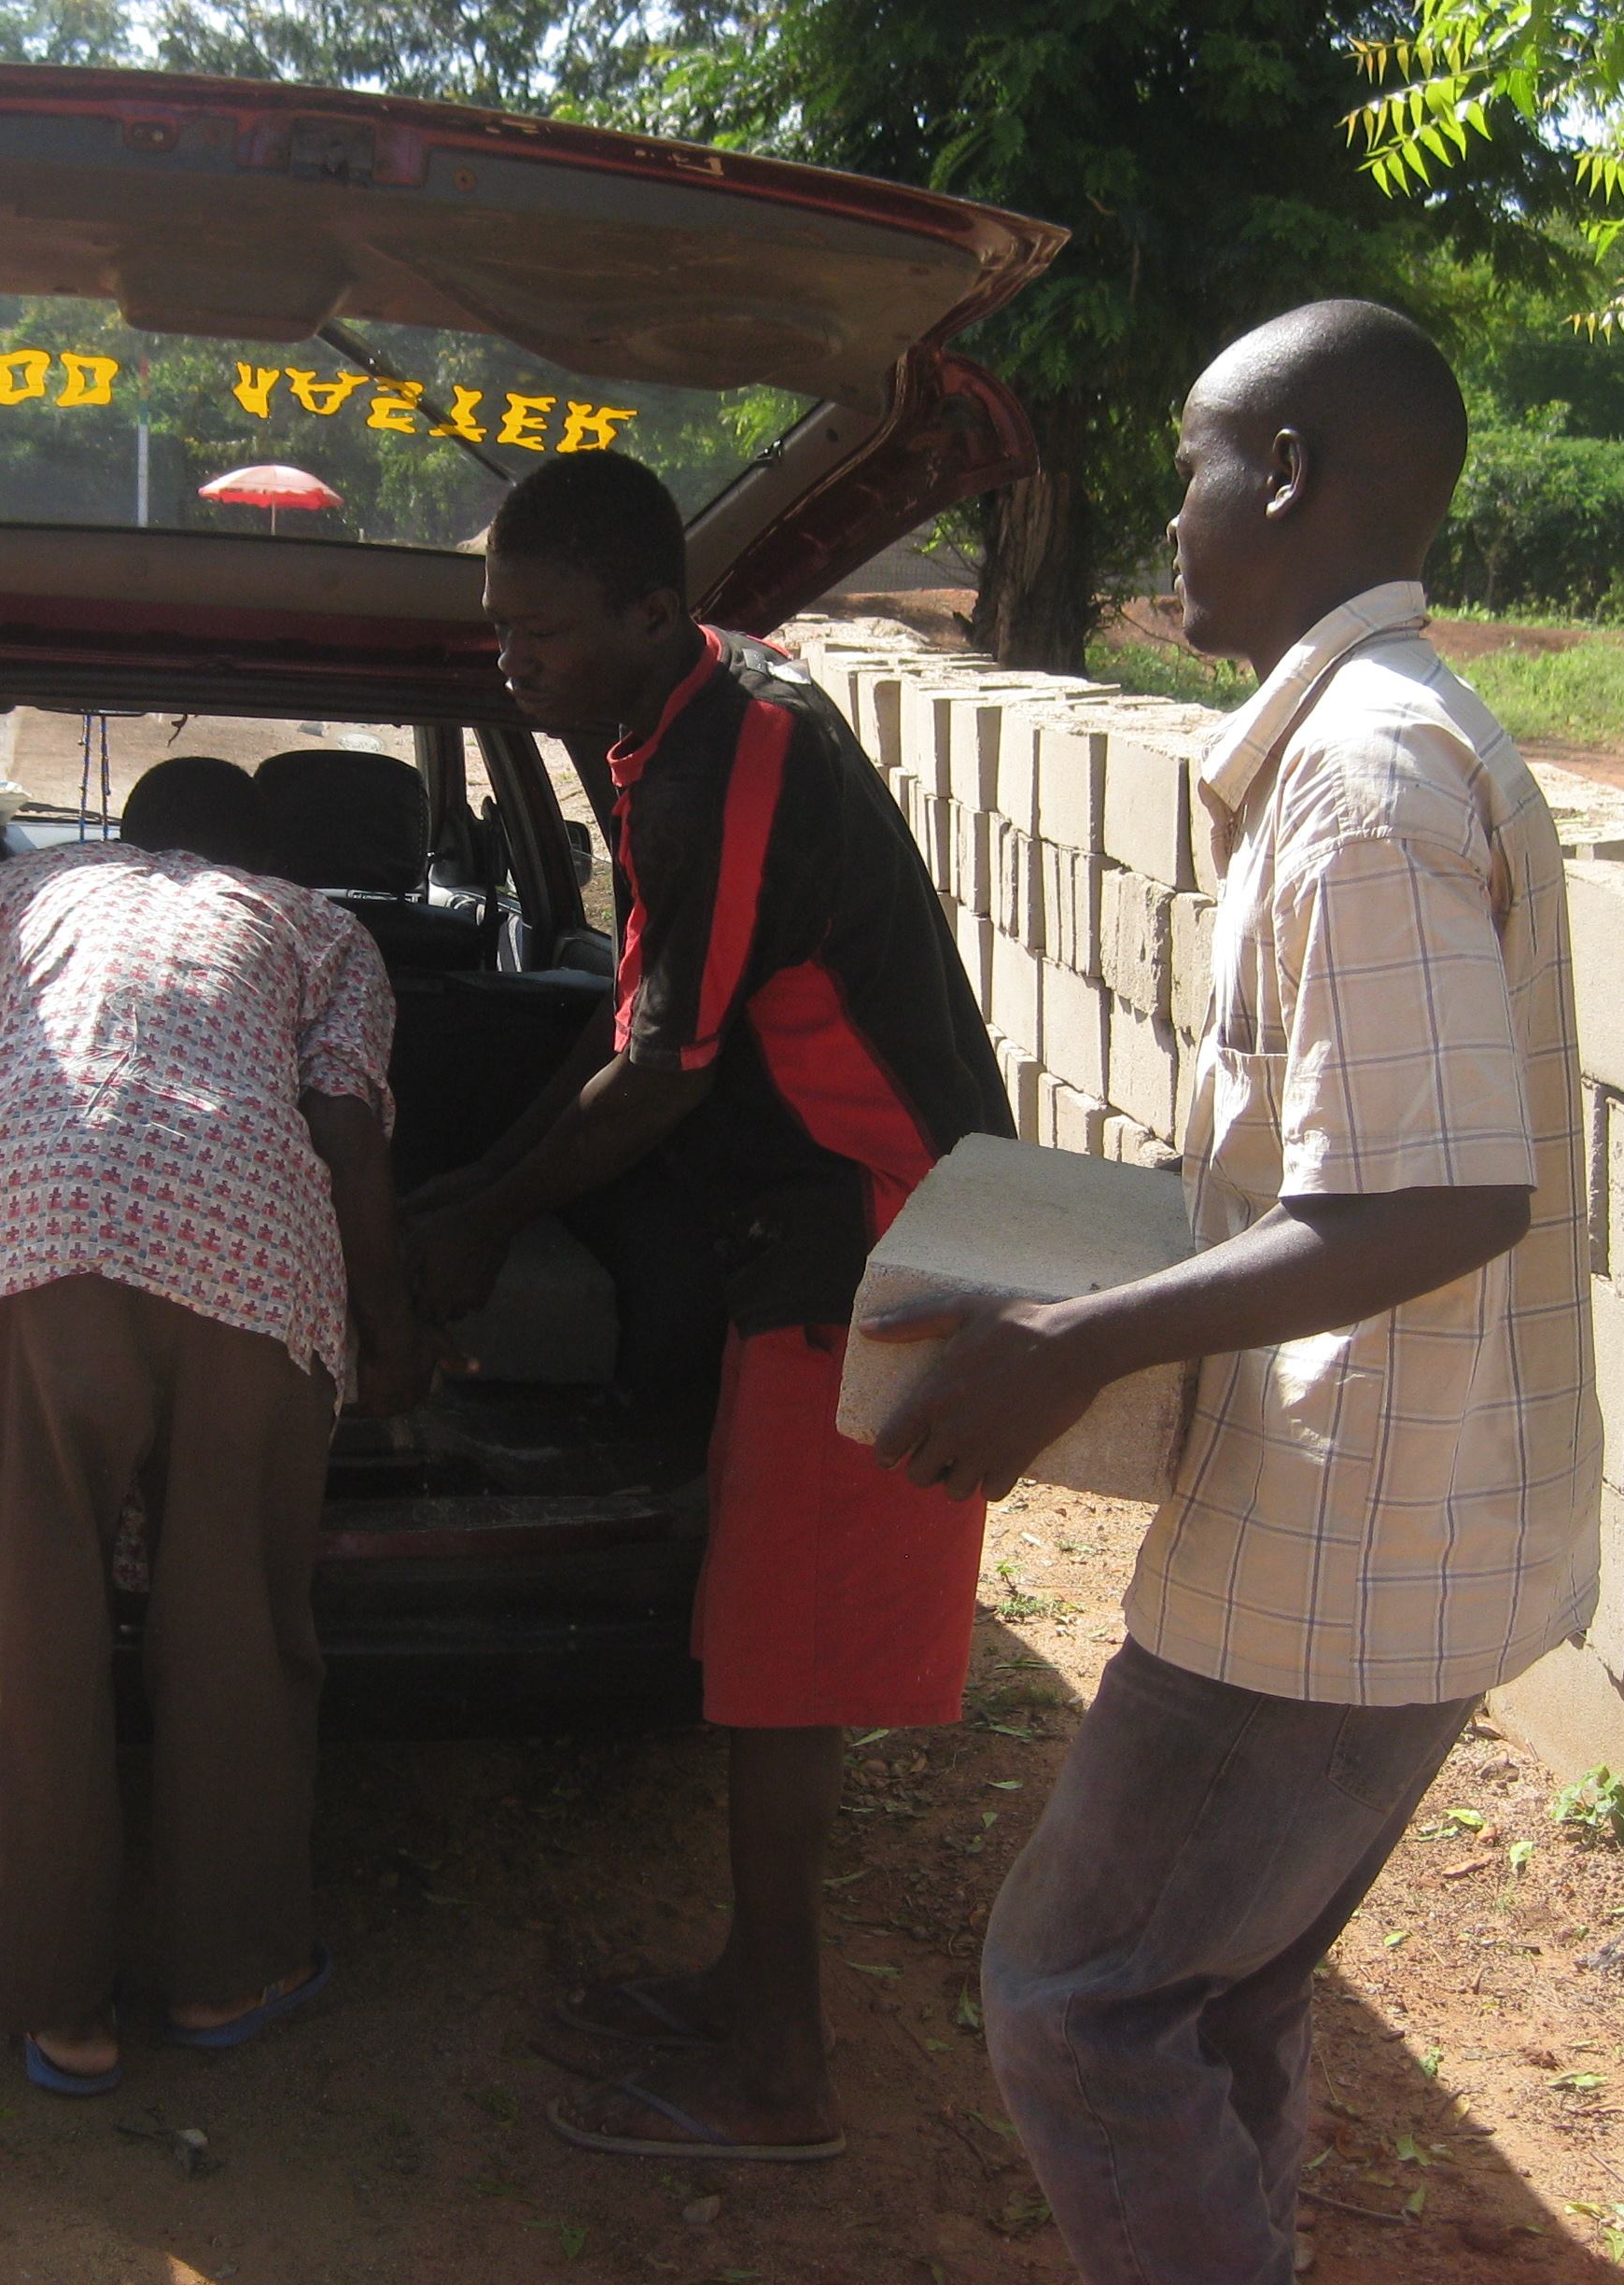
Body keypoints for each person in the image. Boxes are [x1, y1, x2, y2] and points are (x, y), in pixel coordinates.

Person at [863, 301, 1596, 2284]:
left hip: (1330, 1578)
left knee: (1078, 2002)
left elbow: (1437, 1202)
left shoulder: (1364, 782)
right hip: (1403, 1542)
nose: (1168, 515)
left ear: (1281, 477)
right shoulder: (1383, 742)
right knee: (1220, 1999)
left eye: (1191, 466)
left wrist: (1068, 1347)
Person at [405, 449, 1014, 2163]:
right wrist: (472, 1200)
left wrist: (477, 1219)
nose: (505, 666)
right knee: (762, 1642)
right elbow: (631, 1027)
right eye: (493, 632)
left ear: (650, 615)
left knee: (775, 1663)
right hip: (796, 1216)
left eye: (537, 637)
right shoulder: (662, 716)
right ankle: (745, 1981)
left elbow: (663, 1066)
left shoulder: (725, 757)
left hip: (873, 1235)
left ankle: (778, 2076)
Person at [0, 755, 428, 2096]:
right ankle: (231, 1975)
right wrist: (391, 1328)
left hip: (28, 1243)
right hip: (247, 1256)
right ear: (260, 852)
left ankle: (63, 2012)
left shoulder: (4, 897)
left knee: (38, 1637)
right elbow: (343, 1121)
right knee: (234, 1618)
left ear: (121, 836)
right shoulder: (316, 924)